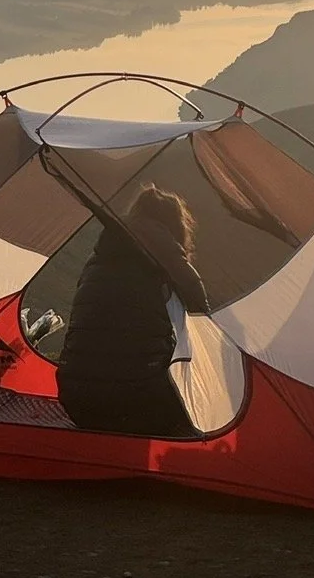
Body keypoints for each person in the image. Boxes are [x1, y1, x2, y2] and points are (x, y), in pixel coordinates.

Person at [56, 183, 210, 439]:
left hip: (77, 401)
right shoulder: (170, 262)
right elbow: (204, 321)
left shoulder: (96, 262)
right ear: (175, 227)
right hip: (138, 405)